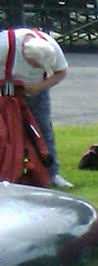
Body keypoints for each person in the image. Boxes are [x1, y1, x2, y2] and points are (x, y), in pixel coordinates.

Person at [1, 26, 69, 187]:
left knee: (43, 129)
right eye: (35, 65)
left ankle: (51, 173)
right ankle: (8, 171)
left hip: (37, 90)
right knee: (5, 132)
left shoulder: (51, 46)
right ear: (25, 54)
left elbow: (61, 72)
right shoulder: (4, 44)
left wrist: (39, 87)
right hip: (4, 86)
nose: (39, 68)